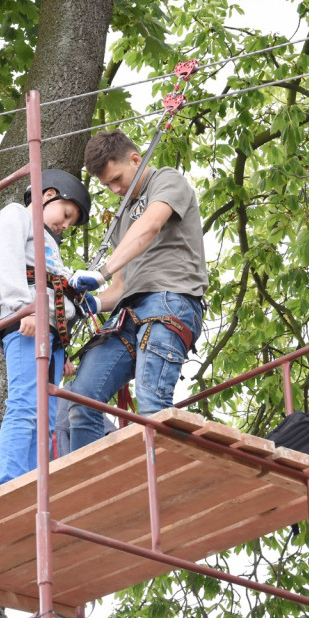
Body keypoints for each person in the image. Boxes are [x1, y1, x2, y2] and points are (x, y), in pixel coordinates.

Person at [61, 129, 208, 453]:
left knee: (151, 405)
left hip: (171, 301)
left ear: (136, 159)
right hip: (128, 314)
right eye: (107, 186)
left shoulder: (166, 181)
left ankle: (161, 488)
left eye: (117, 179)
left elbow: (151, 226)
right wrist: (94, 303)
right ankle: (88, 494)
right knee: (80, 401)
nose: (115, 190)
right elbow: (120, 287)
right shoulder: (121, 220)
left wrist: (101, 272)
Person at [0, 168, 93, 486]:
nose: (66, 225)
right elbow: (7, 257)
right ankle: (11, 481)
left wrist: (65, 348)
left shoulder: (50, 248)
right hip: (27, 324)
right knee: (26, 403)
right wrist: (20, 309)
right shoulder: (16, 216)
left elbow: (56, 293)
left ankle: (36, 481)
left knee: (49, 415)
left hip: (51, 337)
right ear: (49, 194)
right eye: (67, 214)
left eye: (71, 223)